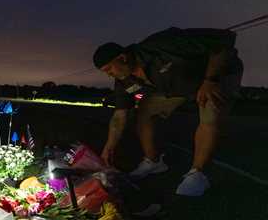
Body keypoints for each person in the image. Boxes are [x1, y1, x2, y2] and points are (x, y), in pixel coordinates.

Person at [93, 27, 243, 196]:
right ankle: (153, 161)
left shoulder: (161, 45)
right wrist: (109, 146)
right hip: (175, 87)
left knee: (210, 114)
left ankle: (197, 173)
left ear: (122, 58)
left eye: (109, 69)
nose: (109, 75)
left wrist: (211, 79)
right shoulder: (123, 80)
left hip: (214, 75)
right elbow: (120, 115)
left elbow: (224, 40)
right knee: (144, 112)